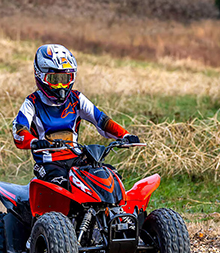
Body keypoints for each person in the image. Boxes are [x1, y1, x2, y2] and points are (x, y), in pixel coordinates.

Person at [12, 44, 140, 185]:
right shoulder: (32, 102)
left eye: (66, 79)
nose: (61, 86)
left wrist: (125, 136)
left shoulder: (77, 98)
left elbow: (102, 121)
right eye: (55, 80)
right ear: (40, 76)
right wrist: (34, 142)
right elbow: (19, 130)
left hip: (77, 158)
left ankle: (115, 207)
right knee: (61, 183)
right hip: (49, 164)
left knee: (110, 176)